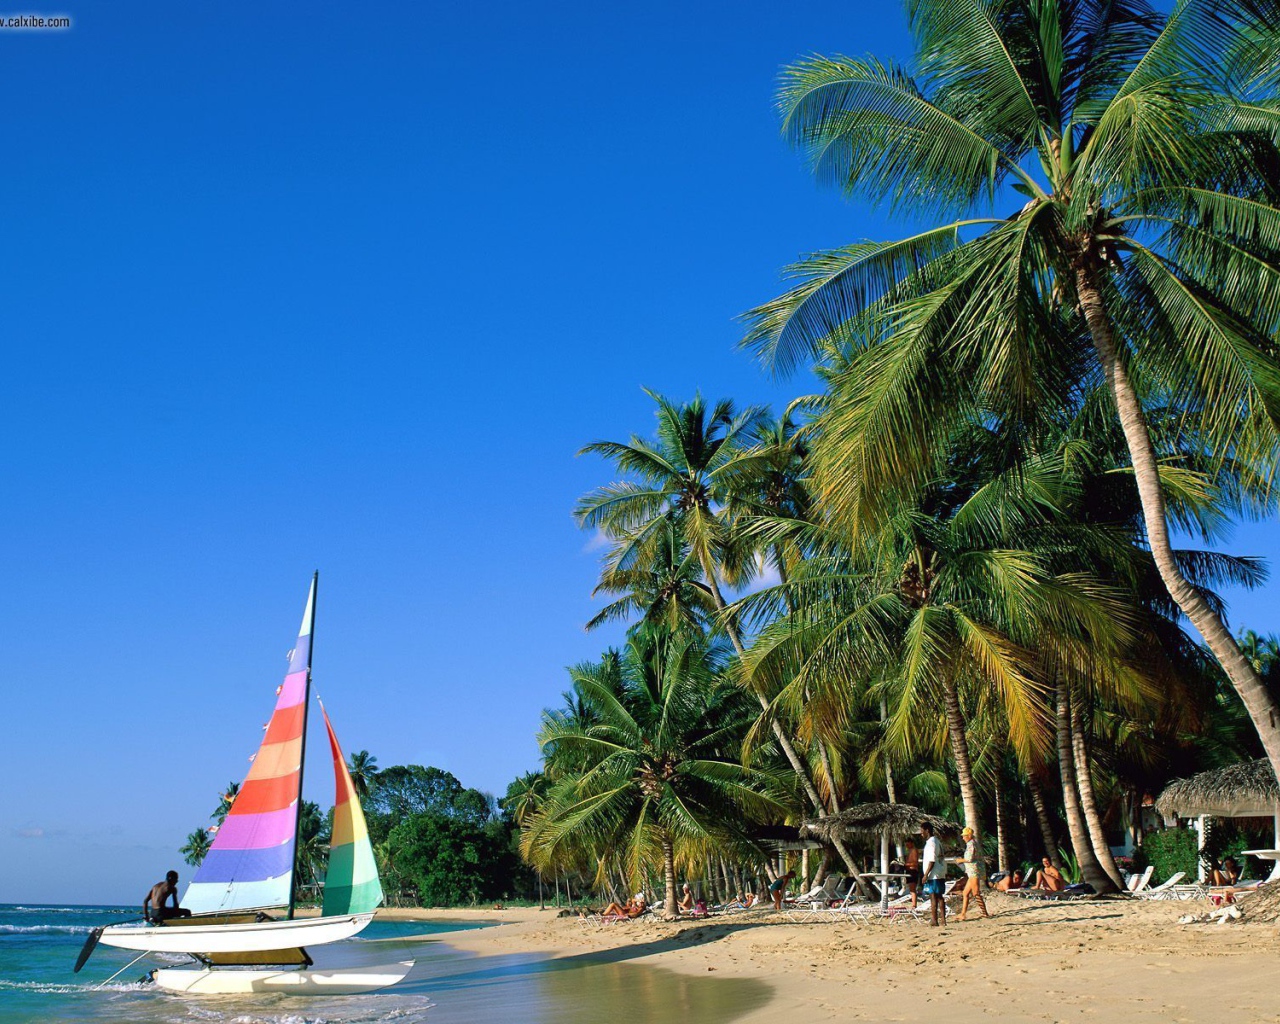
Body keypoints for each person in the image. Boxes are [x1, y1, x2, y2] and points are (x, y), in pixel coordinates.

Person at [955, 826, 990, 921]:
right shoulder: (974, 843)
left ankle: (985, 913)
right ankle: (963, 914)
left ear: (969, 836)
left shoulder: (971, 844)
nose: (963, 838)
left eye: (964, 836)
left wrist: (960, 860)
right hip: (972, 871)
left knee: (976, 892)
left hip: (974, 871)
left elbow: (969, 859)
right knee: (965, 892)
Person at [919, 823, 948, 927]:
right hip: (938, 872)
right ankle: (942, 920)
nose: (921, 833)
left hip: (934, 873)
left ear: (927, 830)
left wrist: (926, 874)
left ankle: (935, 920)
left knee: (934, 896)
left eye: (922, 831)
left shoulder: (932, 842)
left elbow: (932, 860)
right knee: (939, 896)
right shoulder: (935, 841)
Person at [903, 838, 921, 908]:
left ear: (911, 843)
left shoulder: (914, 850)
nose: (907, 846)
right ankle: (913, 904)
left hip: (913, 870)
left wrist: (906, 864)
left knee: (913, 889)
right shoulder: (909, 851)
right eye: (906, 845)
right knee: (911, 889)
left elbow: (915, 863)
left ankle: (914, 905)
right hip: (909, 870)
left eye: (908, 844)